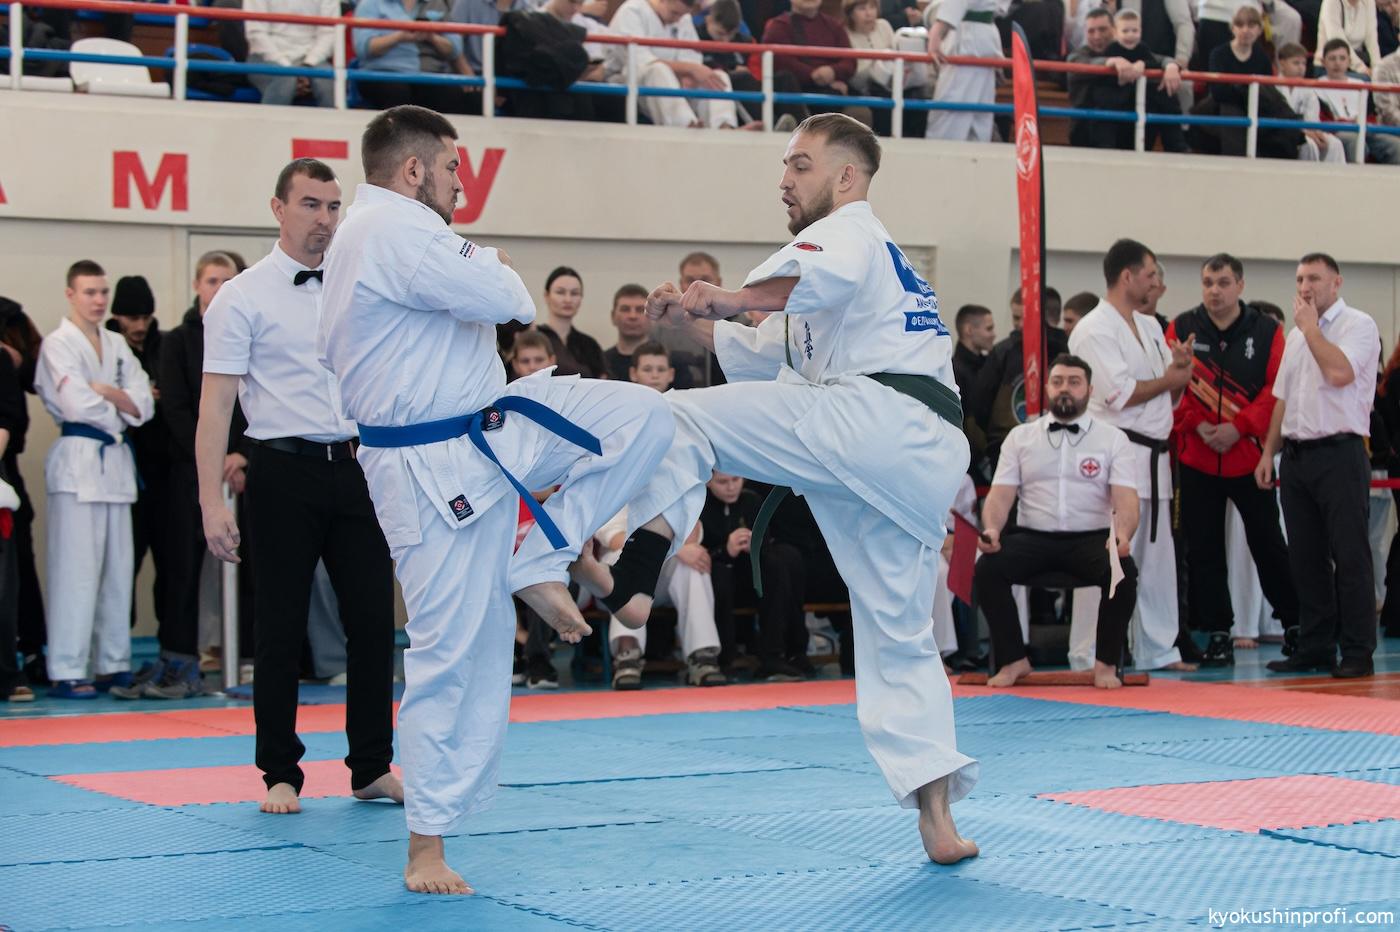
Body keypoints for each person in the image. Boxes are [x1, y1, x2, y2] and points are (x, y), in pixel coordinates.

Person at [573, 113, 979, 866]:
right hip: (911, 460)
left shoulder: (850, 232)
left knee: (678, 419)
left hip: (874, 418)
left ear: (846, 176)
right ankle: (937, 817)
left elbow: (795, 285)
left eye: (799, 165)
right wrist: (689, 320)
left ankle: (637, 571)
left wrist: (730, 295)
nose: (784, 181)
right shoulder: (864, 278)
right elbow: (762, 352)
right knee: (898, 633)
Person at [317, 105, 674, 894]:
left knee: (645, 417)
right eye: (452, 167)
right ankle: (426, 845)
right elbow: (513, 296)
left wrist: (487, 268)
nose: (460, 183)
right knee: (454, 652)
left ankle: (541, 556)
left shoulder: (388, 235)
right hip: (425, 471)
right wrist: (492, 266)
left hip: (491, 427)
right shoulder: (392, 230)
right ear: (414, 169)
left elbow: (496, 291)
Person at [199, 158, 400, 817]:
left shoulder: (361, 285)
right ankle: (279, 773)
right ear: (278, 208)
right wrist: (210, 502)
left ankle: (371, 766)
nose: (324, 218)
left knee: (373, 621)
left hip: (360, 464)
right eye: (310, 204)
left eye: (333, 206)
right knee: (280, 625)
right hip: (281, 468)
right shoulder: (241, 296)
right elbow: (214, 408)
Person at [1068, 238, 1195, 672]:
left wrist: (1179, 374)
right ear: (1127, 276)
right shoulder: (1094, 329)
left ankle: (1159, 648)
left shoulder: (1152, 326)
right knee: (1108, 556)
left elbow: (1164, 395)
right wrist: (1171, 379)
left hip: (1156, 455)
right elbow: (1119, 395)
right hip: (1116, 453)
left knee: (1157, 559)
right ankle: (1089, 653)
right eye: (1150, 274)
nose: (1156, 283)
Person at [976, 355, 1140, 689]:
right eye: (1058, 381)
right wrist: (991, 528)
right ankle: (1013, 659)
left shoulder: (1113, 439)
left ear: (1089, 390)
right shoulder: (1020, 437)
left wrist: (1122, 534)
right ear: (1047, 388)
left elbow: (1125, 498)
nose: (1065, 388)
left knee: (1123, 572)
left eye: (1074, 382)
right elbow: (1000, 495)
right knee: (988, 569)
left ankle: (1105, 663)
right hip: (1032, 538)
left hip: (1091, 539)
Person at [1165, 254, 1298, 667]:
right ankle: (1219, 633)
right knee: (1204, 549)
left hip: (1249, 458)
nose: (1214, 291)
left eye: (1223, 282)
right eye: (1208, 282)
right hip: (1197, 456)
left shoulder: (1267, 330)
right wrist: (1199, 425)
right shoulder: (1181, 327)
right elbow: (1171, 384)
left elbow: (1277, 389)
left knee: (1269, 543)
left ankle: (1295, 624)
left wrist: (1239, 427)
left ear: (1240, 285)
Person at [131, 251, 250, 700]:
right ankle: (180, 659)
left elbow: (256, 401)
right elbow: (178, 410)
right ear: (197, 285)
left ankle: (248, 657)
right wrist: (212, 459)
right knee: (181, 568)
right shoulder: (177, 341)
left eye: (228, 280)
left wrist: (241, 454)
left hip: (242, 468)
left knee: (251, 566)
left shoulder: (251, 332)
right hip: (189, 469)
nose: (219, 288)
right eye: (212, 280)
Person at [1255, 254, 1380, 679]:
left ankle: (1358, 650)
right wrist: (1268, 452)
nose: (1304, 287)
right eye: (1299, 279)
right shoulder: (1294, 336)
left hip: (1339, 453)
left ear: (1336, 283)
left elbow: (1340, 372)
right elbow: (1283, 398)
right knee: (1306, 558)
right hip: (1296, 455)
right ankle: (1316, 645)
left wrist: (1311, 329)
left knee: (1350, 555)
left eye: (1314, 278)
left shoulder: (1358, 325)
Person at [36, 260, 154, 698]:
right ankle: (67, 667)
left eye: (103, 292)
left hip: (116, 466)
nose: (99, 300)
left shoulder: (117, 344)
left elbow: (145, 405)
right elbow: (75, 405)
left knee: (117, 571)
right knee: (75, 571)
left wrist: (110, 393)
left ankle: (113, 662)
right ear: (71, 294)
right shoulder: (57, 344)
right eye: (90, 292)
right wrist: (121, 405)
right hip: (78, 463)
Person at [106, 275, 172, 638]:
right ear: (118, 316)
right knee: (121, 563)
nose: (140, 326)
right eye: (133, 318)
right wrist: (138, 397)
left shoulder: (165, 345)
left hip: (162, 470)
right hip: (120, 468)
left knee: (170, 562)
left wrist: (142, 397)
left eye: (145, 317)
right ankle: (117, 641)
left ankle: (170, 645)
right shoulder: (106, 348)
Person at [701, 469, 811, 680]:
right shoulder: (700, 505)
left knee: (782, 560)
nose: (731, 487)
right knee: (719, 574)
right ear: (708, 482)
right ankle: (723, 658)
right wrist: (725, 551)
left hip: (752, 578)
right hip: (718, 579)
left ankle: (777, 654)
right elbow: (698, 551)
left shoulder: (752, 500)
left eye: (736, 479)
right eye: (722, 482)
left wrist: (756, 545)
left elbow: (768, 542)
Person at [0, 299, 46, 688]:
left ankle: (23, 657)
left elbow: (8, 419)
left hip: (5, 474)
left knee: (12, 575)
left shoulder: (10, 327)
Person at [606, 0, 743, 129]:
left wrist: (689, 74)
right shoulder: (632, 11)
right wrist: (690, 69)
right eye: (674, 13)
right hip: (628, 79)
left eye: (682, 15)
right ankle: (685, 125)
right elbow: (640, 61)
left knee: (717, 77)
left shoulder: (683, 18)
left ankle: (724, 127)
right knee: (658, 70)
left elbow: (691, 56)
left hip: (674, 80)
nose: (678, 19)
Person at [353, 0, 476, 113]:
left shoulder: (437, 4)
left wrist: (432, 37)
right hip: (384, 72)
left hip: (429, 74)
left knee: (454, 94)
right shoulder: (371, 4)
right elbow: (364, 48)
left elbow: (455, 49)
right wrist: (399, 37)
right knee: (396, 92)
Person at [924, 0, 1001, 142]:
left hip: (967, 42)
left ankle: (941, 153)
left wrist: (936, 33)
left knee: (949, 113)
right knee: (979, 117)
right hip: (984, 40)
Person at [1316, 38, 1400, 163]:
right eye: (1332, 59)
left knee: (1395, 145)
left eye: (1342, 58)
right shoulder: (1316, 87)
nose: (1337, 63)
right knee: (1355, 142)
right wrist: (1348, 122)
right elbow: (1321, 119)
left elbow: (1371, 114)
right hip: (1338, 130)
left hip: (1365, 129)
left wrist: (1364, 123)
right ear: (1323, 62)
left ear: (1349, 61)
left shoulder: (1361, 84)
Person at [244, 0, 338, 107]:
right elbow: (256, 34)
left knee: (327, 79)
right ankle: (271, 118)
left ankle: (334, 119)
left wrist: (308, 64)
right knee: (284, 79)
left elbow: (330, 33)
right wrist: (289, 68)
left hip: (312, 57)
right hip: (266, 57)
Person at [1277, 42, 1349, 163]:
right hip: (1281, 132)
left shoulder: (1308, 90)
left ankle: (1335, 174)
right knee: (1308, 144)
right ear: (1282, 63)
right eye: (1296, 63)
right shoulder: (1272, 87)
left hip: (1307, 131)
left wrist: (1316, 132)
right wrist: (1304, 132)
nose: (1301, 68)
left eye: (1303, 64)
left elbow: (1312, 120)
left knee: (1334, 144)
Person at [536, 266, 608, 378]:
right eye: (560, 292)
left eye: (574, 293)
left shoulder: (589, 345)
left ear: (581, 298)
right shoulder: (533, 338)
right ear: (547, 296)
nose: (568, 299)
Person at [601, 283, 653, 382]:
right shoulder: (600, 363)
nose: (632, 316)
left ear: (652, 316)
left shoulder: (669, 363)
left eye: (640, 310)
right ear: (613, 316)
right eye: (625, 309)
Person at [1316, 0, 1381, 71]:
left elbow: (1372, 40)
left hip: (1359, 61)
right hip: (1331, 66)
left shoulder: (1369, 2)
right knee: (1364, 77)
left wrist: (1377, 69)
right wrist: (1362, 69)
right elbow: (1338, 43)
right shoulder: (1331, 2)